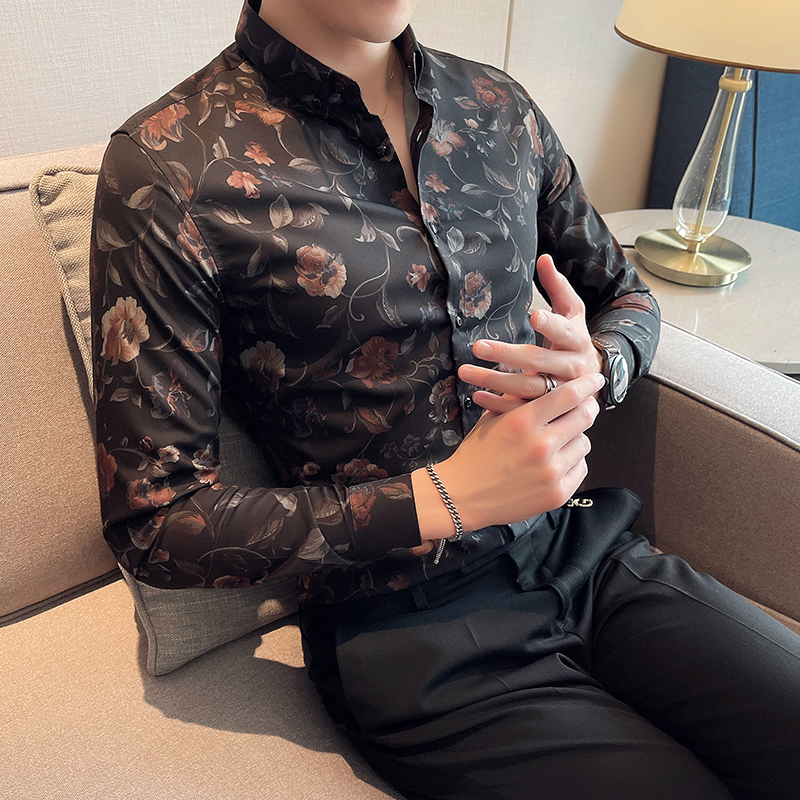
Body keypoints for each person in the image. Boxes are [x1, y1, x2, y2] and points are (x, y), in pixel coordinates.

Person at [90, 1, 800, 798]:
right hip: (414, 632)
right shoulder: (166, 167)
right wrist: (445, 496)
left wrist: (597, 366)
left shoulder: (498, 108)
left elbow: (625, 296)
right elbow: (156, 524)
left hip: (586, 550)